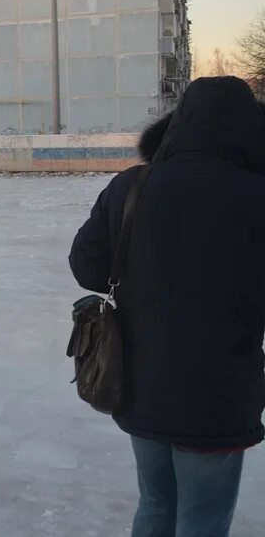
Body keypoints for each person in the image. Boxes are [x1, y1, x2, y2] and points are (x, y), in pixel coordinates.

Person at [69, 76, 265, 537]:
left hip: (141, 381)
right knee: (203, 518)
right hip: (220, 391)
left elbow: (87, 267)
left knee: (156, 502)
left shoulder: (131, 186)